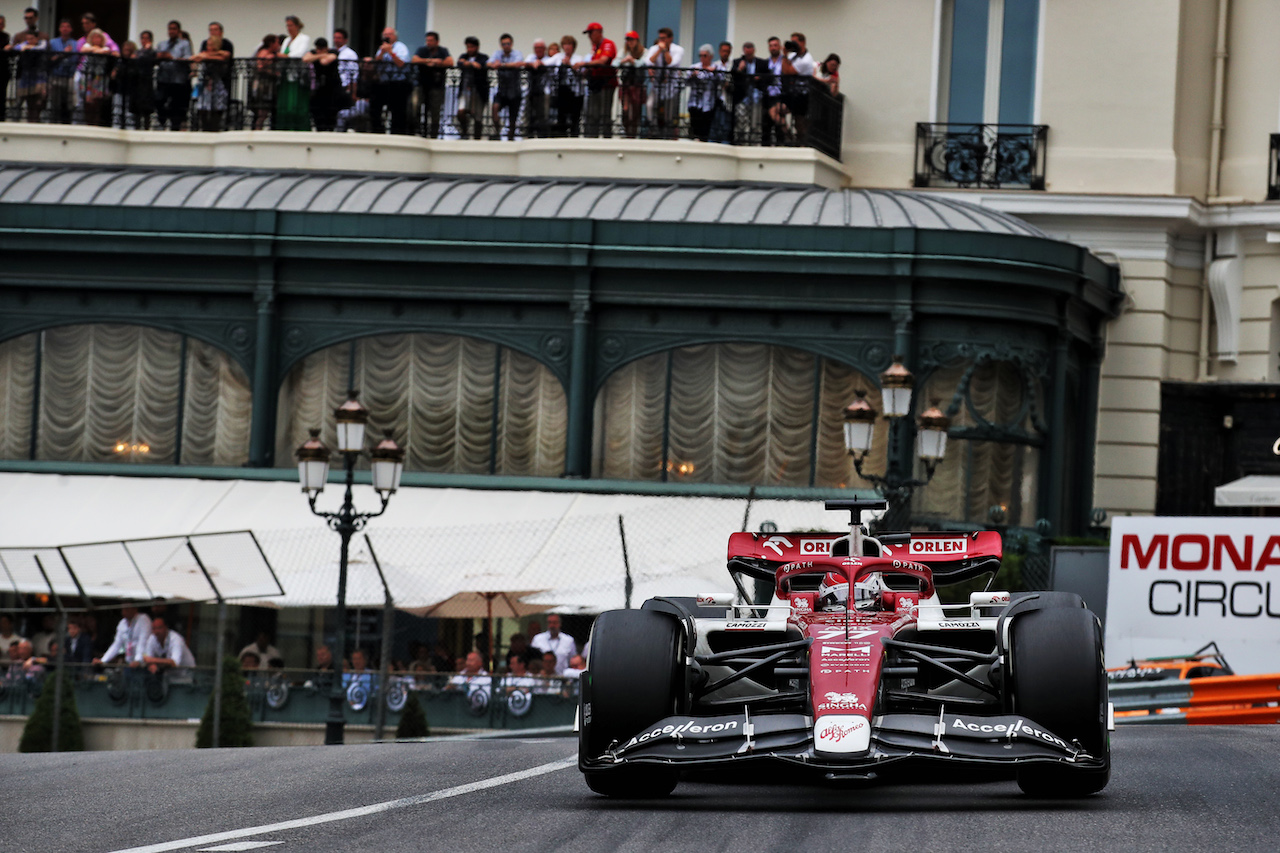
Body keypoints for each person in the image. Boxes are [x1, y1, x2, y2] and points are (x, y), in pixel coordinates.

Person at [644, 27, 684, 139]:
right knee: (650, 105)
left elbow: (671, 63)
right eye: (660, 38)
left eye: (664, 38)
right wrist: (658, 51)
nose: (661, 41)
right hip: (657, 85)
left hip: (671, 86)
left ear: (670, 38)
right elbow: (648, 61)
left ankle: (668, 133)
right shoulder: (654, 48)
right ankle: (653, 128)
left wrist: (665, 50)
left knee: (669, 112)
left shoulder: (678, 50)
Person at [369, 26, 411, 134]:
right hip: (384, 83)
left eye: (389, 34)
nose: (387, 36)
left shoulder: (401, 47)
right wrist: (382, 53)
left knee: (397, 110)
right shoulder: (382, 48)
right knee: (375, 108)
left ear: (395, 36)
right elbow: (376, 64)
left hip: (398, 83)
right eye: (385, 34)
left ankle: (397, 132)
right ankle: (378, 130)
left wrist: (391, 52)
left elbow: (401, 63)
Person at [579, 22, 617, 138]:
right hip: (595, 84)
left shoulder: (607, 44)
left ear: (598, 33)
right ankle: (591, 136)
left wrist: (585, 64)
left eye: (591, 33)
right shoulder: (596, 47)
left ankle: (606, 137)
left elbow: (603, 61)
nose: (589, 37)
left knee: (604, 114)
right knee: (593, 113)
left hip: (606, 84)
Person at [412, 30, 452, 139]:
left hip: (436, 86)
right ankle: (418, 130)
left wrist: (439, 63)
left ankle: (433, 135)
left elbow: (450, 62)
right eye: (427, 40)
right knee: (415, 107)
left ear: (437, 42)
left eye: (430, 41)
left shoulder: (443, 51)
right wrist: (428, 61)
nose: (428, 43)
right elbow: (414, 59)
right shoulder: (422, 50)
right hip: (421, 84)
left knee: (435, 112)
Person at [276, 15, 312, 130]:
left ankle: (298, 126)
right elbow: (282, 53)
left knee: (295, 102)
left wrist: (285, 56)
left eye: (291, 25)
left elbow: (299, 54)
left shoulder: (304, 38)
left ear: (297, 26)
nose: (288, 28)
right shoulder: (287, 40)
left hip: (298, 74)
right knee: (285, 103)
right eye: (287, 25)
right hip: (285, 74)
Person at [155, 20, 192, 130]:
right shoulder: (162, 44)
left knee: (176, 106)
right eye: (170, 29)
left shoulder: (184, 44)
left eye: (174, 29)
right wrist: (159, 57)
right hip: (163, 79)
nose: (171, 31)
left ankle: (174, 128)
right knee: (159, 101)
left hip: (178, 80)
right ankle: (161, 123)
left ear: (178, 30)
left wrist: (172, 58)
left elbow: (187, 58)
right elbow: (155, 59)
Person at [79, 28, 118, 127]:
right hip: (88, 77)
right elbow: (83, 49)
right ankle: (88, 123)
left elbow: (105, 51)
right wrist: (95, 49)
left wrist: (96, 50)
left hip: (99, 77)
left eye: (98, 37)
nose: (96, 39)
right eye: (94, 37)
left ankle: (95, 123)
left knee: (97, 102)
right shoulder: (87, 45)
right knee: (88, 101)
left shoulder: (106, 48)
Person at [487, 33, 523, 140]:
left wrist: (501, 65)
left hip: (514, 89)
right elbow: (489, 63)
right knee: (495, 108)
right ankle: (498, 132)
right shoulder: (498, 53)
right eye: (503, 44)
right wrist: (493, 65)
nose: (506, 46)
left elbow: (518, 63)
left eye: (508, 44)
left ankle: (510, 138)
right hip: (502, 89)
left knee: (513, 118)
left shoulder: (517, 53)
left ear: (511, 44)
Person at [687, 44, 724, 142]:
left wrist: (714, 72)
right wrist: (692, 75)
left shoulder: (716, 67)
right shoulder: (694, 67)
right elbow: (685, 81)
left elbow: (723, 80)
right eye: (700, 55)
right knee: (694, 125)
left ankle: (703, 141)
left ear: (711, 56)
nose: (702, 58)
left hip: (708, 103)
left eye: (705, 55)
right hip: (694, 101)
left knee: (705, 127)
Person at [305, 37, 343, 131]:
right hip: (319, 87)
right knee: (317, 111)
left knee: (330, 112)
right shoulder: (317, 53)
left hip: (332, 87)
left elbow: (324, 62)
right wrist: (322, 55)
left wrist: (318, 56)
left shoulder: (334, 52)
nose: (319, 51)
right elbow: (305, 59)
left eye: (321, 49)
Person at [455, 36, 489, 140]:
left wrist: (470, 64)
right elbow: (459, 63)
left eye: (471, 47)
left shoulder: (483, 57)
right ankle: (464, 132)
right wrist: (470, 64)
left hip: (478, 91)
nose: (469, 49)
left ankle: (477, 138)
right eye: (468, 47)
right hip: (465, 89)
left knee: (478, 117)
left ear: (477, 47)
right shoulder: (464, 56)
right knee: (461, 112)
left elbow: (482, 65)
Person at [549, 35, 583, 137]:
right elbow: (546, 63)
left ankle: (574, 137)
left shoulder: (578, 58)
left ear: (573, 46)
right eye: (565, 44)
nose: (567, 47)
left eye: (569, 44)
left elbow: (581, 73)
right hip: (561, 92)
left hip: (575, 93)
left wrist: (570, 65)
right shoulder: (558, 57)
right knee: (561, 117)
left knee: (575, 118)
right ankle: (562, 137)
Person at [762, 36, 792, 146]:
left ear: (779, 47)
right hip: (768, 95)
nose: (773, 48)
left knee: (777, 122)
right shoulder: (765, 63)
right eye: (771, 46)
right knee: (766, 125)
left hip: (781, 95)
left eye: (775, 45)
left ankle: (786, 137)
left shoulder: (785, 61)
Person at [616, 31, 646, 138]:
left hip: (637, 84)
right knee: (625, 108)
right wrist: (624, 61)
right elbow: (615, 63)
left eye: (631, 40)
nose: (629, 42)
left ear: (636, 41)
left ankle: (633, 132)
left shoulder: (643, 51)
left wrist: (632, 61)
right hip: (626, 83)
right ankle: (626, 129)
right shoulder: (623, 52)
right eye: (628, 40)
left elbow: (643, 63)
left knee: (636, 109)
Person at [249, 34, 279, 130]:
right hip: (262, 85)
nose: (278, 45)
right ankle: (257, 130)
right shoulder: (264, 53)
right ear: (271, 43)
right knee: (262, 111)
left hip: (267, 85)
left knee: (264, 112)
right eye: (277, 42)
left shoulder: (271, 53)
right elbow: (260, 67)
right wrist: (272, 70)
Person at [522, 39, 551, 138]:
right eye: (536, 48)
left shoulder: (548, 58)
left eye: (540, 48)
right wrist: (533, 63)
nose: (538, 50)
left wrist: (540, 63)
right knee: (529, 114)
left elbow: (548, 64)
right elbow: (525, 63)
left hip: (544, 91)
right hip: (531, 90)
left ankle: (542, 136)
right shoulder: (531, 57)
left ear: (544, 49)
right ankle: (530, 135)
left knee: (542, 115)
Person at [332, 28, 360, 129]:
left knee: (343, 113)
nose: (336, 40)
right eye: (335, 37)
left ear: (345, 40)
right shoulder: (332, 52)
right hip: (335, 87)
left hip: (345, 87)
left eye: (339, 38)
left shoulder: (349, 54)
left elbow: (354, 74)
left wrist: (352, 90)